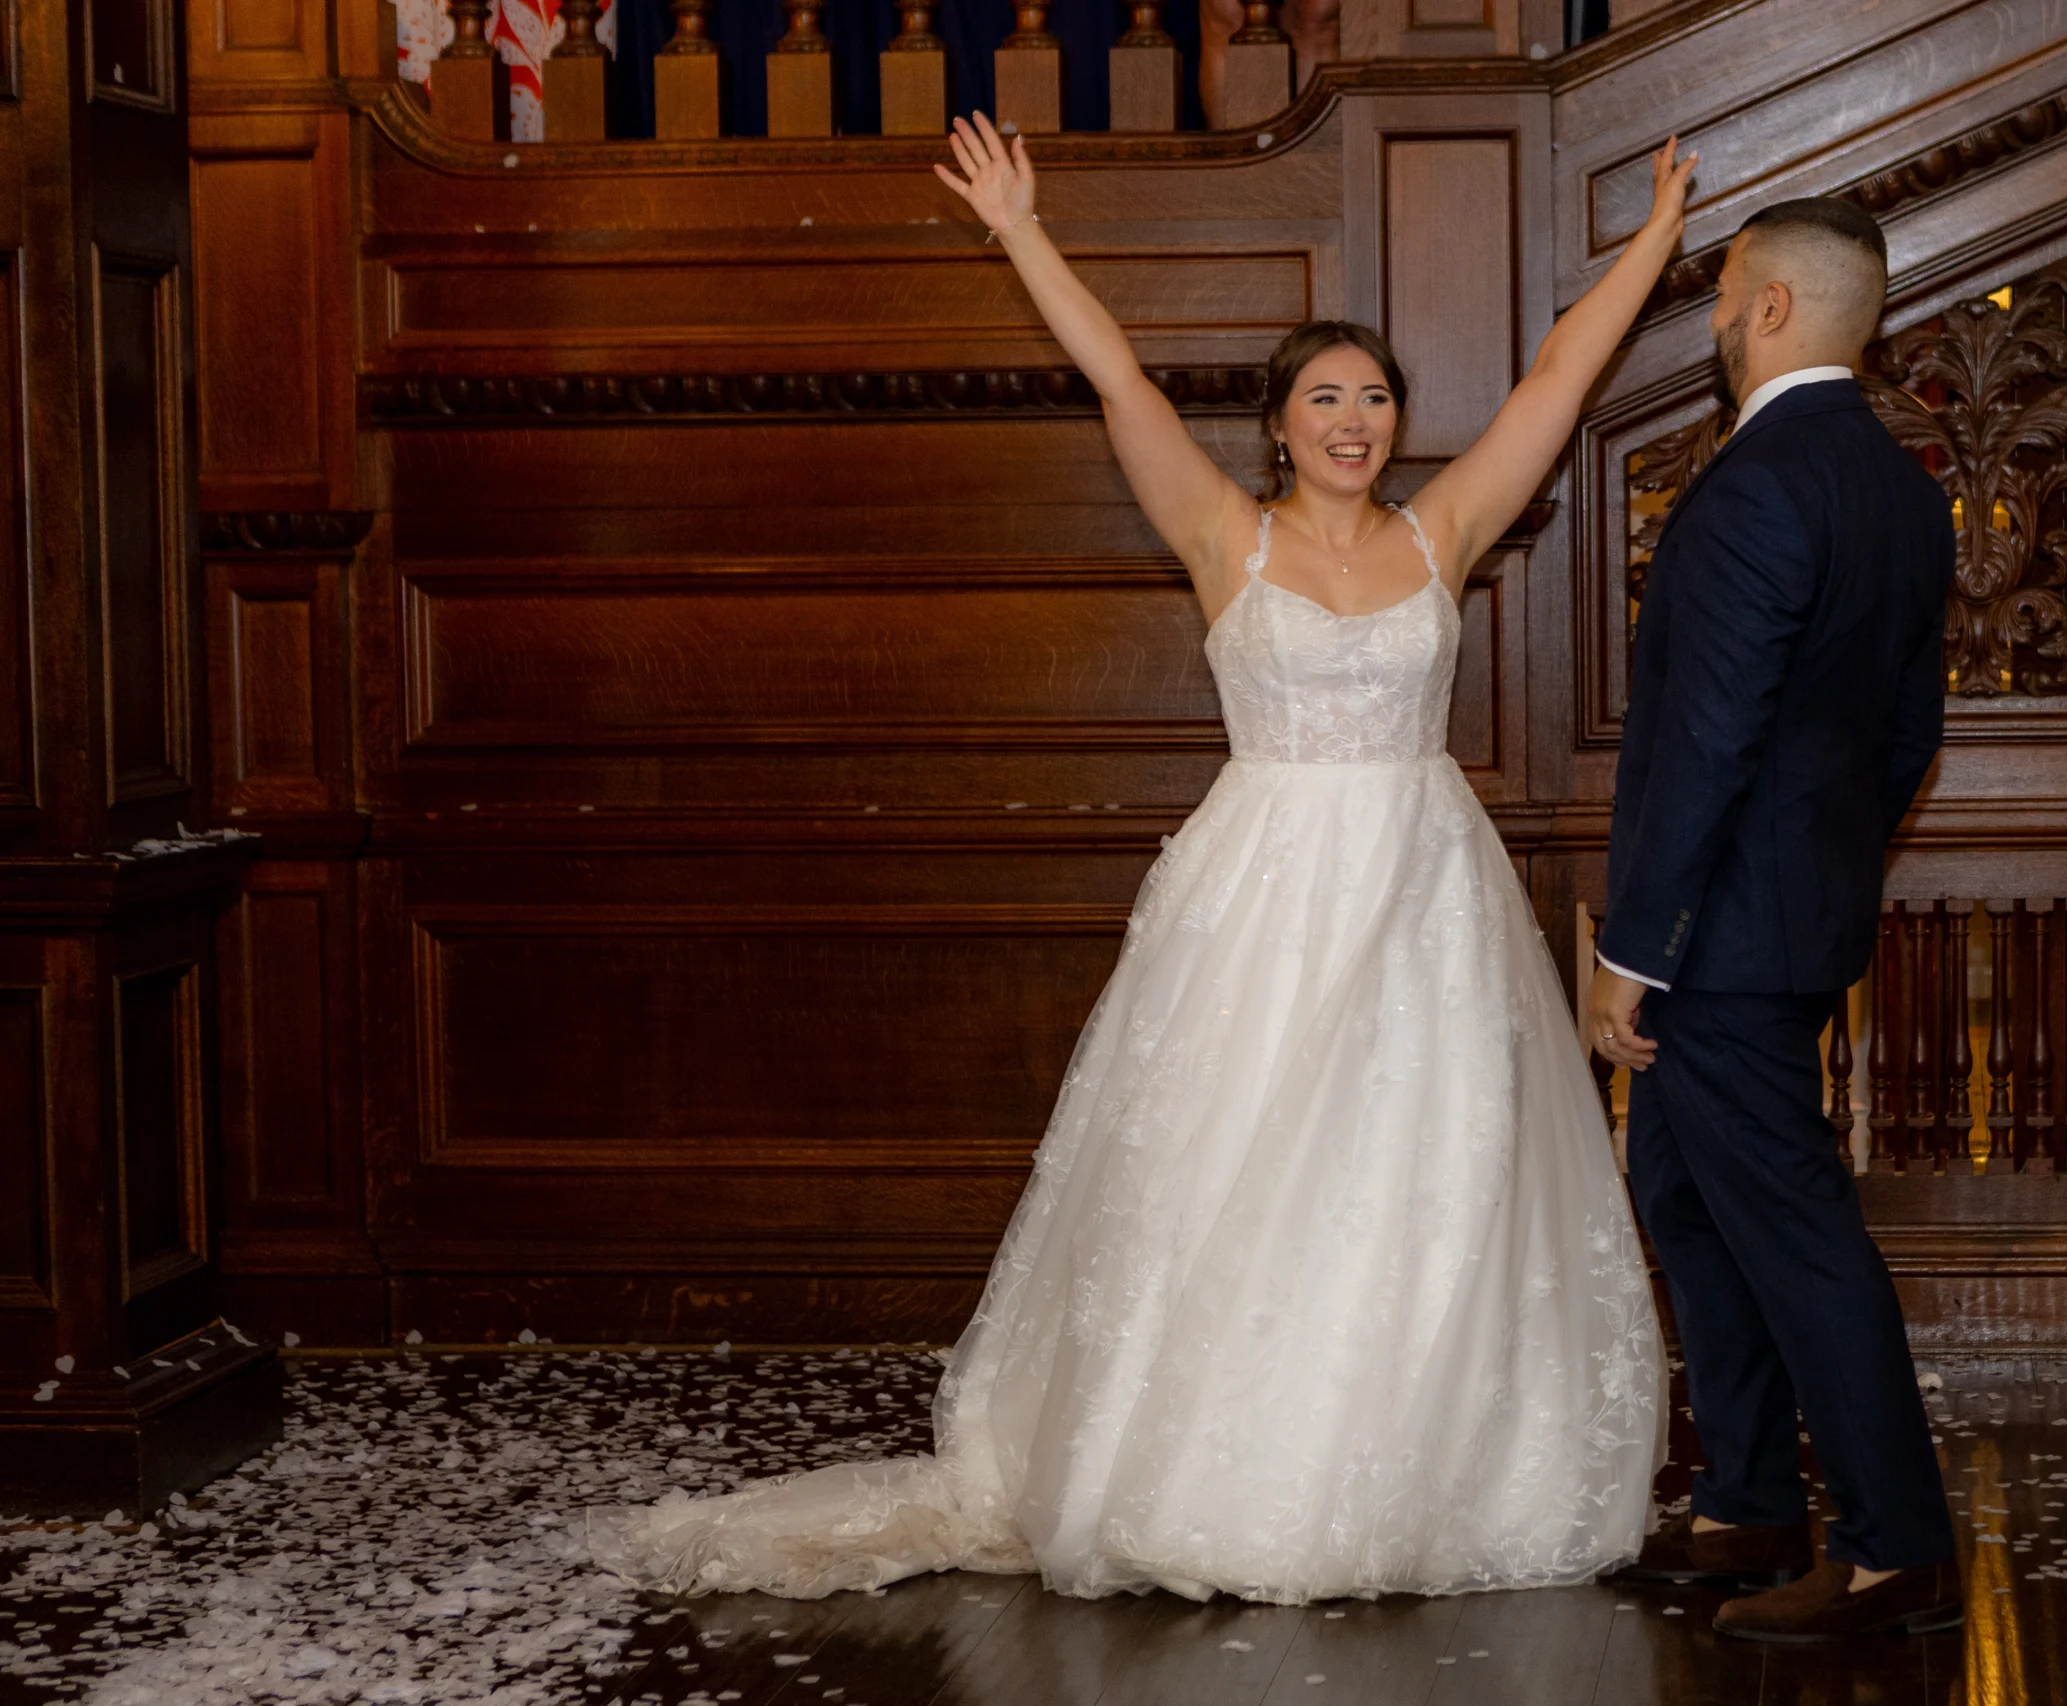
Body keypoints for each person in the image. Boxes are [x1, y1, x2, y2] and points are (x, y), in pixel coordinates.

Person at [586, 115, 1699, 1605]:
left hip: (1426, 894)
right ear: (1279, 425)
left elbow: (1558, 379)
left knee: (1420, 1176)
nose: (1355, 417)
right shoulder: (1221, 534)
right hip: (1263, 894)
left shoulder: (1444, 531)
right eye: (1325, 396)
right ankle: (1221, 1470)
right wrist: (1022, 230)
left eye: (1374, 394)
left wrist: (1649, 249)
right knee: (1241, 1170)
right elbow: (1114, 373)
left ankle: (1411, 1466)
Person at [1587, 196, 1962, 1641]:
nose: (1716, 319)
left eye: (1726, 294)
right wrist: (1823, 865)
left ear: (1773, 309)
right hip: (1785, 921)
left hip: (1721, 942)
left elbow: (1705, 741)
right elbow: (1908, 726)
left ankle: (1895, 1548)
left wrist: (1636, 948)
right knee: (1686, 1197)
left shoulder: (1756, 487)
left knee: (1797, 1229)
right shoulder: (1898, 481)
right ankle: (1749, 1498)